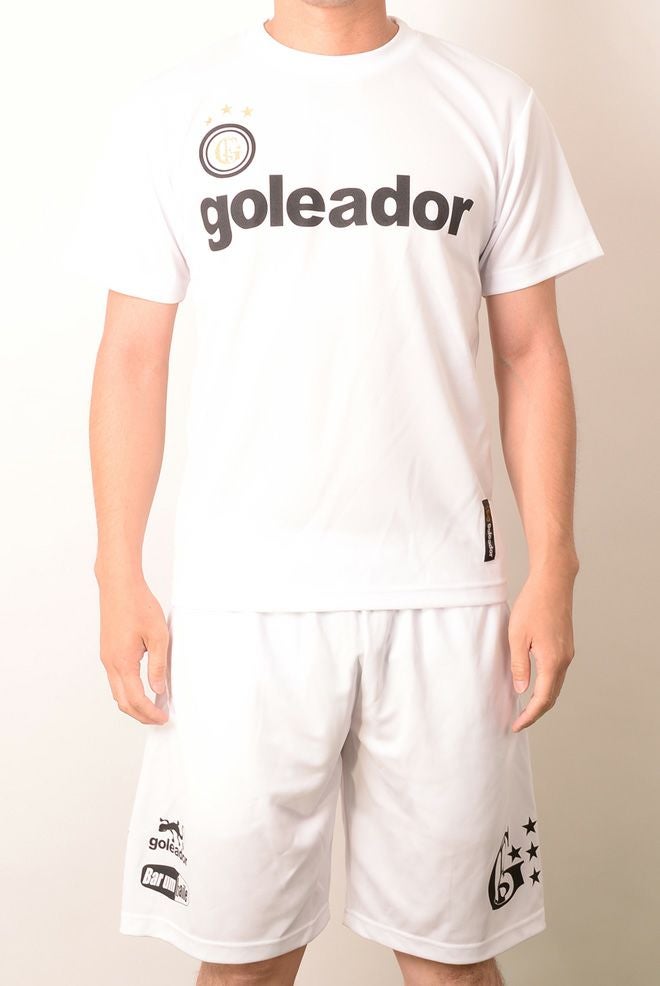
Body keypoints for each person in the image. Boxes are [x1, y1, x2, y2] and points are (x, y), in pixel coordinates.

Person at [62, 2, 604, 984]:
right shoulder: (173, 111)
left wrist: (554, 565)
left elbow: (531, 351)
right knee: (243, 962)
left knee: (450, 962)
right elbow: (133, 356)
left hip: (444, 596)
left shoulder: (493, 107)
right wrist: (116, 573)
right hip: (242, 603)